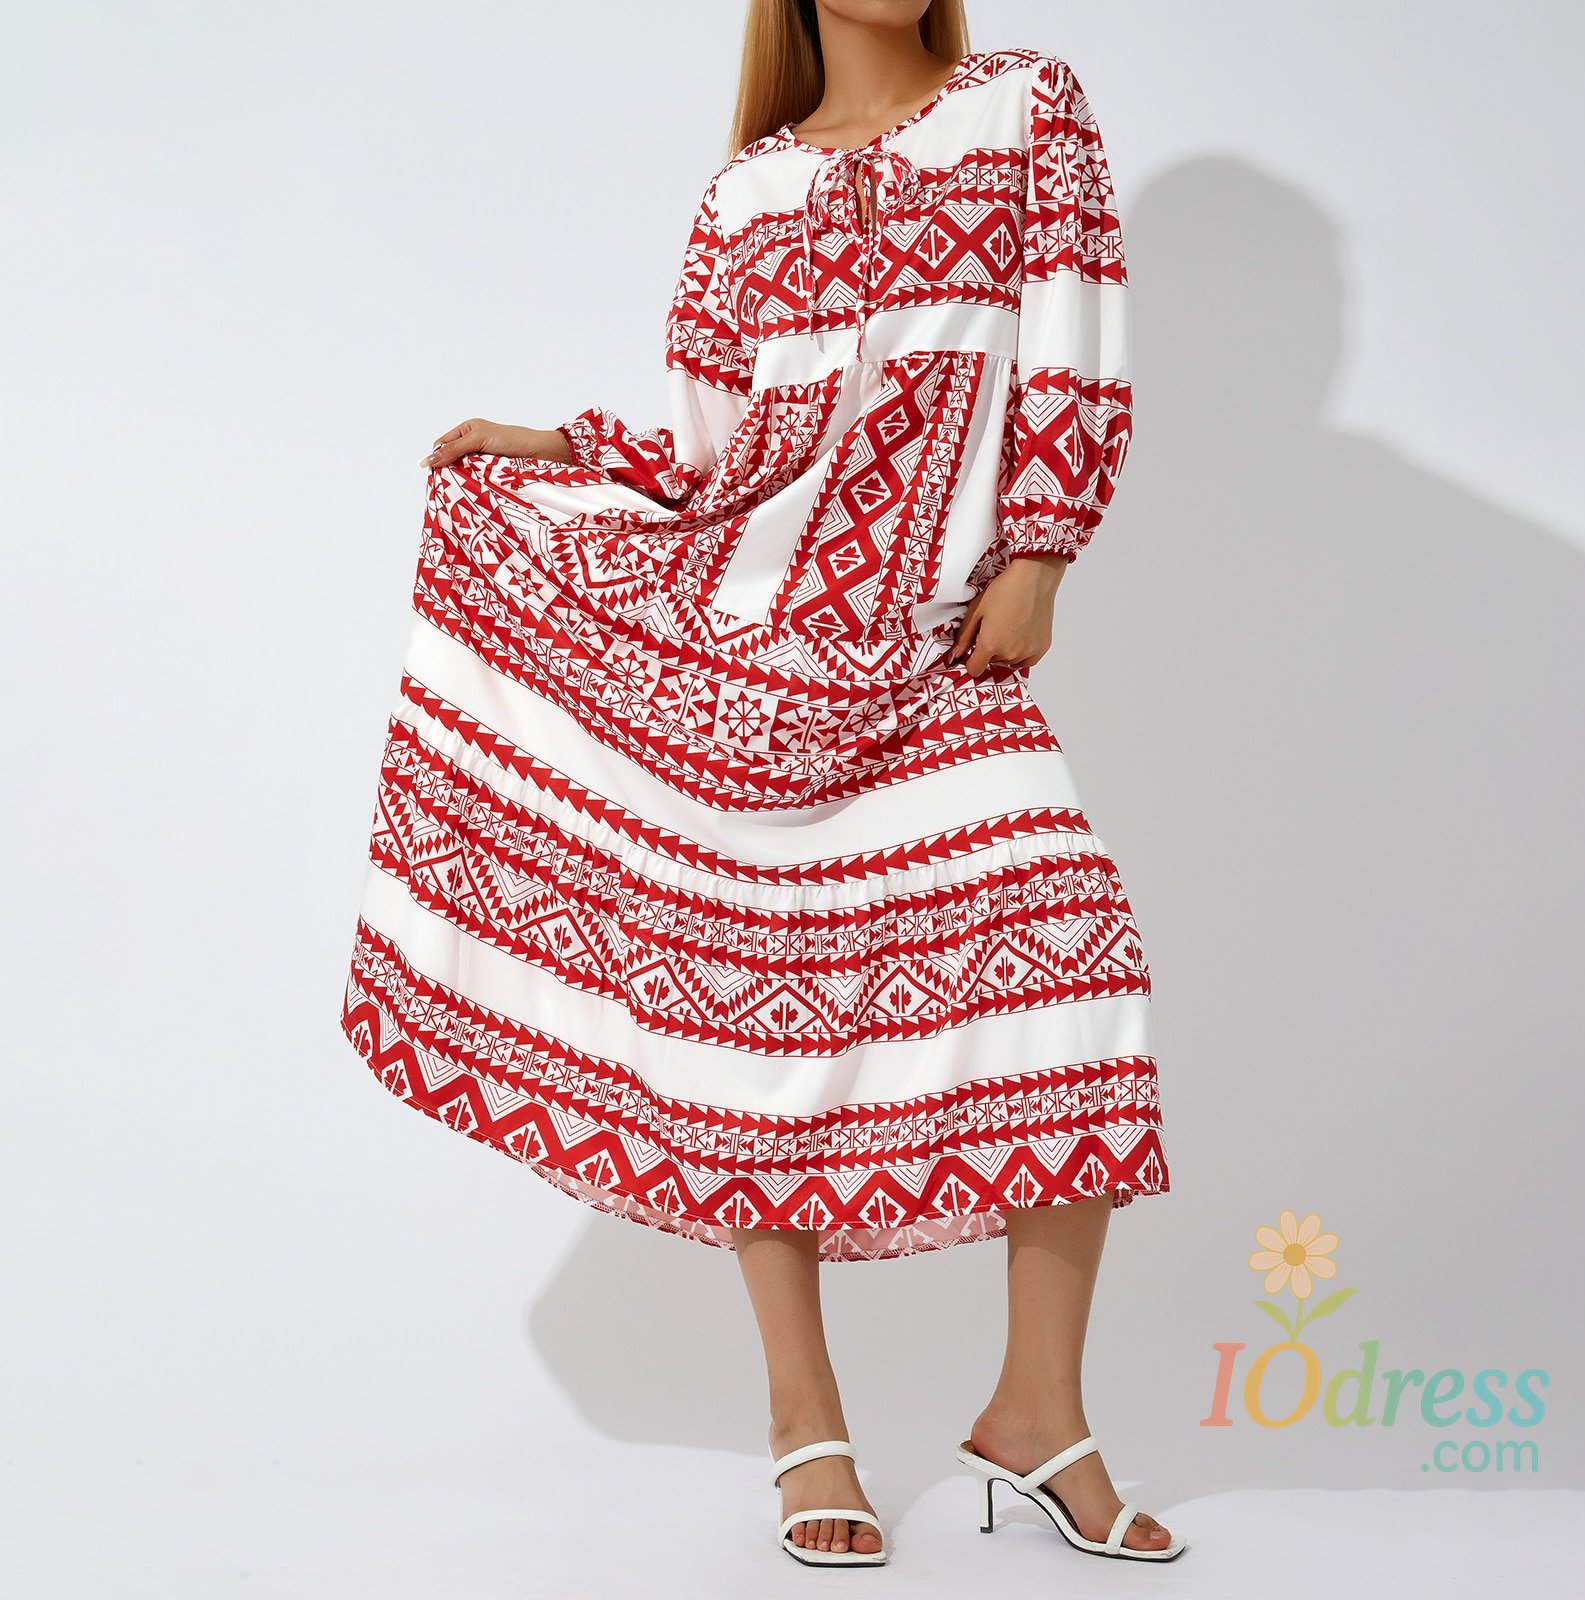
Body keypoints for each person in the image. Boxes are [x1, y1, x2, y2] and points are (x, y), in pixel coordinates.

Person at [340, 0, 1183, 1569]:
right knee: (743, 1018)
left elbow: (1073, 325)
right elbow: (716, 448)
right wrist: (558, 446)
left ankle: (1037, 1412)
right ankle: (807, 1420)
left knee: (1076, 966)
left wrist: (1045, 545)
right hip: (747, 654)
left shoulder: (1023, 106)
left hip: (936, 652)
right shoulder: (747, 192)